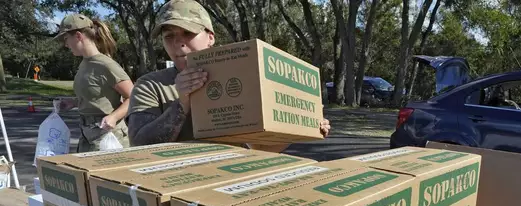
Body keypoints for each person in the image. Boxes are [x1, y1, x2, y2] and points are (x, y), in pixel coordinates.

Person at [126, 0, 330, 151]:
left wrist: (302, 125)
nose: (178, 43)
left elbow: (258, 149)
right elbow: (139, 145)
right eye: (169, 36)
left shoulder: (241, 78)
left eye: (187, 33)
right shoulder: (150, 85)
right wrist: (182, 104)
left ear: (210, 37)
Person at [54, 14, 133, 152]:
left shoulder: (106, 65)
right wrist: (74, 102)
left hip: (109, 138)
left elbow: (134, 97)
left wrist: (114, 117)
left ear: (78, 36)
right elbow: (97, 96)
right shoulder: (84, 64)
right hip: (87, 136)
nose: (65, 45)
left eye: (66, 39)